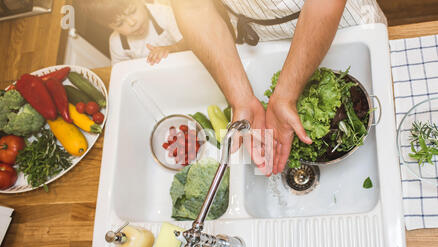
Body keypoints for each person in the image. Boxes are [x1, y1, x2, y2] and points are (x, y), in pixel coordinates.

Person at [171, 0, 386, 176]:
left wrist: (286, 94)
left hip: (339, 24)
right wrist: (241, 98)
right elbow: (193, 8)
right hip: (261, 37)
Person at [77, 0, 187, 65]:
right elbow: (121, 71)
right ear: (109, 27)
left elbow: (190, 43)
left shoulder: (162, 14)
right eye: (120, 23)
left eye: (133, 11)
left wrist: (171, 49)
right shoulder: (117, 44)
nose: (132, 22)